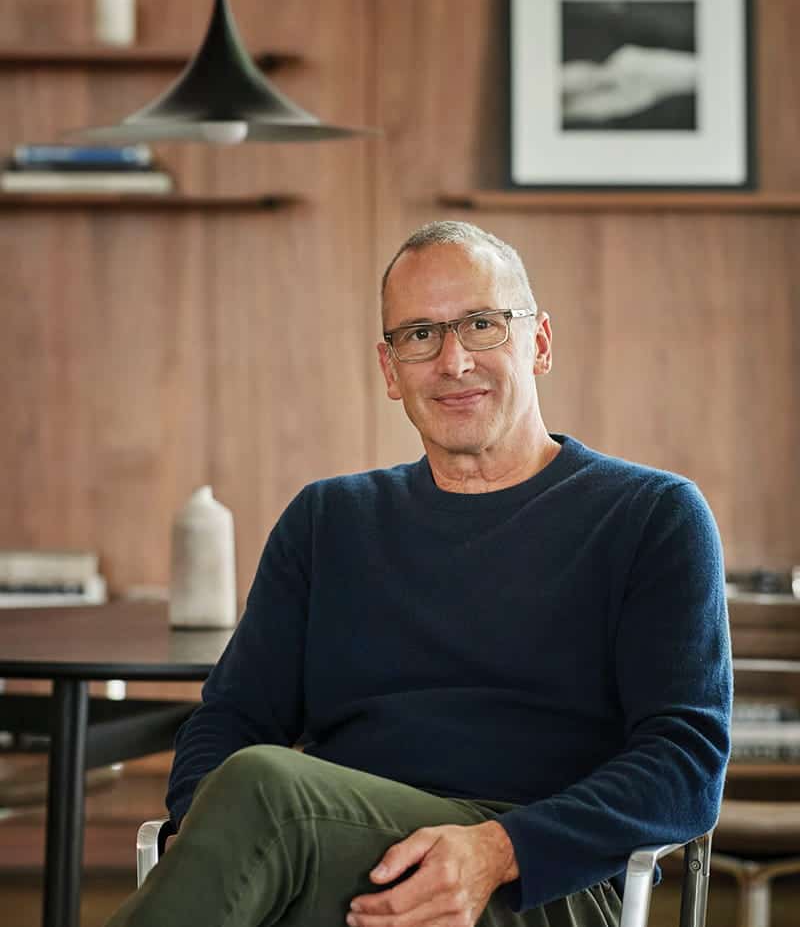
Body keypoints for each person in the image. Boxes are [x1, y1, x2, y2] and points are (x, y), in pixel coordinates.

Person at [106, 221, 732, 927]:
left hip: (539, 884)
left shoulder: (651, 514)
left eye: (482, 324)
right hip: (324, 859)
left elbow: (685, 763)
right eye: (420, 335)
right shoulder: (327, 521)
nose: (453, 360)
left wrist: (496, 851)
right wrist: (210, 837)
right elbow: (231, 717)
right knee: (255, 797)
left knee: (262, 788)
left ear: (541, 343)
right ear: (390, 369)